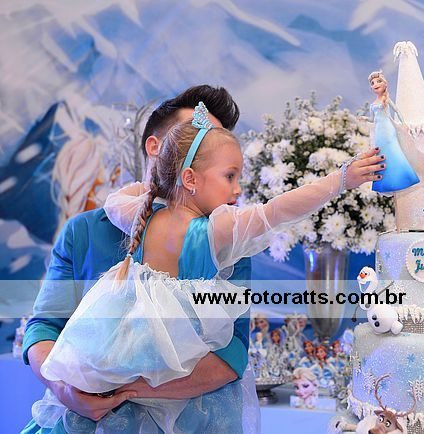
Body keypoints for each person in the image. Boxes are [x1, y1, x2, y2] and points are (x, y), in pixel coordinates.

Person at [37, 103, 384, 432]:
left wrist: (158, 181)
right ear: (190, 178)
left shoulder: (141, 215)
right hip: (177, 365)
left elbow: (116, 199)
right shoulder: (216, 230)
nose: (237, 189)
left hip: (119, 348)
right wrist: (340, 180)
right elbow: (279, 210)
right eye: (230, 176)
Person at [21, 86, 255, 434]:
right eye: (198, 140)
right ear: (155, 146)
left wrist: (128, 391)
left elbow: (232, 351)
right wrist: (66, 389)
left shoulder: (225, 241)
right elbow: (44, 327)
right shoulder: (84, 231)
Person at [363, 70, 422, 194]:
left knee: (393, 150)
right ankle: (386, 182)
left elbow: (397, 111)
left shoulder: (386, 99)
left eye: (378, 81)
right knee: (382, 153)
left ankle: (405, 177)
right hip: (379, 131)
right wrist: (365, 118)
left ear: (384, 83)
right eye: (372, 83)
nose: (375, 84)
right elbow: (373, 119)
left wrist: (403, 123)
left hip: (388, 129)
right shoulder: (372, 105)